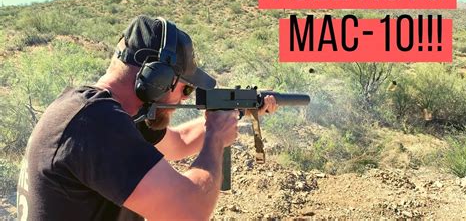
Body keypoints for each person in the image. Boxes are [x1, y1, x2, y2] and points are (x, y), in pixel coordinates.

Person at [17, 15, 278, 220]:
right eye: (184, 88)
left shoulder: (100, 115)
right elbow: (189, 212)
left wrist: (232, 114)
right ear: (157, 80)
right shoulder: (96, 122)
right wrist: (216, 138)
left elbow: (179, 143)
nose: (186, 97)